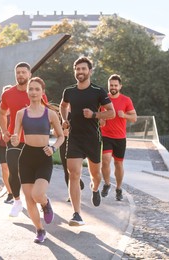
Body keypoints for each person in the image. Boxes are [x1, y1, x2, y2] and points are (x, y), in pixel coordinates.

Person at [60, 56, 115, 226]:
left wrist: (94, 115)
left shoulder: (98, 91)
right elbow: (63, 105)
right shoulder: (69, 91)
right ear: (75, 71)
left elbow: (111, 112)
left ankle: (95, 188)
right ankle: (77, 214)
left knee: (96, 175)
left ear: (90, 71)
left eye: (83, 69)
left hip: (92, 139)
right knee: (74, 174)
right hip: (75, 137)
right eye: (78, 69)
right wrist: (64, 119)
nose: (80, 72)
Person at [11, 77, 64, 243]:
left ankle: (46, 203)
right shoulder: (21, 114)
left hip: (44, 156)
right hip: (26, 157)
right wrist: (13, 139)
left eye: (36, 89)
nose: (33, 92)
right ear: (27, 92)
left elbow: (61, 136)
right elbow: (15, 136)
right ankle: (39, 230)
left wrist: (54, 148)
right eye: (31, 89)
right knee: (28, 198)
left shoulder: (50, 114)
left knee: (38, 194)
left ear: (42, 92)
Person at [0, 62, 48, 217]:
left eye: (24, 72)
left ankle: (39, 199)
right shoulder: (8, 94)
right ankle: (17, 201)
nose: (20, 75)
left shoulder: (36, 93)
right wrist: (4, 130)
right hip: (14, 139)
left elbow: (46, 114)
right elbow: (1, 113)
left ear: (29, 75)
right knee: (13, 170)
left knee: (32, 174)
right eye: (18, 72)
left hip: (34, 141)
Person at [100, 74, 137, 201]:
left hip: (120, 137)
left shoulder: (126, 100)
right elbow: (99, 117)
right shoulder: (103, 100)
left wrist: (124, 115)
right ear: (108, 85)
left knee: (118, 163)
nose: (113, 87)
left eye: (116, 85)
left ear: (120, 86)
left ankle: (119, 188)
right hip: (106, 135)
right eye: (111, 85)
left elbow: (134, 118)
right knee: (105, 160)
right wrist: (101, 120)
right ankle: (107, 184)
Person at [58, 110, 85, 202]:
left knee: (75, 169)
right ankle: (71, 195)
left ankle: (77, 181)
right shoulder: (61, 113)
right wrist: (62, 132)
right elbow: (55, 130)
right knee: (66, 170)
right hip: (63, 143)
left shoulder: (80, 111)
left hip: (77, 143)